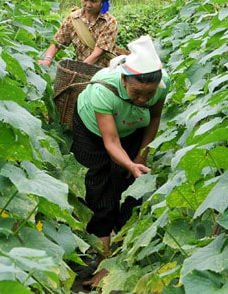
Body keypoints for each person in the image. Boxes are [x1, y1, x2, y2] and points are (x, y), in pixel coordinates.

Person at [70, 35, 171, 288]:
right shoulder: (103, 89)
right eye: (137, 93)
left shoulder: (161, 85)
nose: (143, 100)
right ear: (124, 79)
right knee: (99, 185)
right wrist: (128, 162)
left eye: (149, 94)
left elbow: (155, 118)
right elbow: (111, 142)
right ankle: (103, 261)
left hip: (132, 127)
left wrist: (141, 155)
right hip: (93, 132)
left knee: (129, 189)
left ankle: (124, 250)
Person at [39, 0, 119, 68]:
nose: (88, 5)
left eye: (93, 1)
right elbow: (57, 43)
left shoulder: (109, 22)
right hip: (81, 68)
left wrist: (79, 69)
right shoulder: (73, 19)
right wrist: (48, 59)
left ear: (102, 1)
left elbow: (97, 54)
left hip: (103, 72)